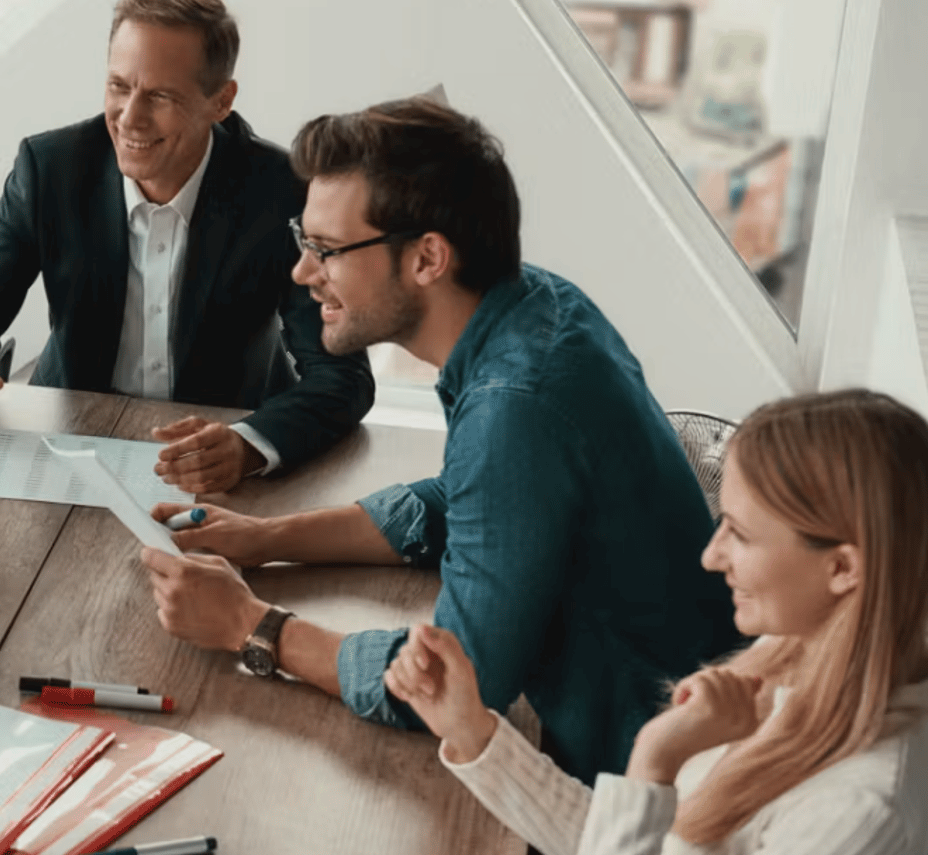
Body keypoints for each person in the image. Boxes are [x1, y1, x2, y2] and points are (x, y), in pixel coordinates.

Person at [139, 97, 741, 782]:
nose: (303, 273)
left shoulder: (516, 408)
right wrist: (265, 537)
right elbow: (466, 500)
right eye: (303, 242)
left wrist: (252, 627)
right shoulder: (539, 307)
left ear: (428, 256)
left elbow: (450, 684)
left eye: (326, 251)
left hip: (630, 788)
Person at [387, 390, 928, 855]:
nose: (712, 557)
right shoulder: (789, 658)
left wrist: (655, 761)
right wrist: (471, 731)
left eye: (739, 532)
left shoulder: (858, 817)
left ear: (842, 568)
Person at [0, 0, 374, 495]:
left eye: (160, 95)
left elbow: (342, 379)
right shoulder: (50, 170)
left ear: (221, 101)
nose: (130, 117)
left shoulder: (281, 191)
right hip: (67, 444)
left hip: (218, 450)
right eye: (119, 86)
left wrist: (248, 444)